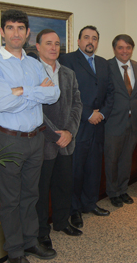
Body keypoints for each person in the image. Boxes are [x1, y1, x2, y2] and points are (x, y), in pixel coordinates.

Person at [0, 10, 60, 263]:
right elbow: (3, 103)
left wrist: (22, 91)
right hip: (10, 140)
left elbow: (54, 94)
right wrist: (36, 91)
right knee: (10, 199)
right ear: (2, 32)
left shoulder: (34, 63)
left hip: (36, 138)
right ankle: (14, 251)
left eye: (20, 28)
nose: (16, 33)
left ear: (27, 33)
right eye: (10, 27)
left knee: (31, 195)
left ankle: (29, 242)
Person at [59, 25, 114, 228]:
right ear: (79, 41)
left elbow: (111, 92)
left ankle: (90, 203)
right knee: (76, 170)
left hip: (98, 125)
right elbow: (67, 94)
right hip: (78, 125)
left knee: (93, 168)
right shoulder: (67, 60)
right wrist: (88, 114)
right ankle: (74, 210)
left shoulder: (103, 63)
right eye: (86, 37)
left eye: (94, 38)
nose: (91, 41)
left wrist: (102, 114)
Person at [35, 29, 83, 253]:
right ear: (37, 46)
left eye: (57, 44)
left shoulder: (68, 74)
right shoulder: (31, 72)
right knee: (41, 191)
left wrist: (69, 132)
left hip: (66, 141)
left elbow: (77, 104)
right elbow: (34, 110)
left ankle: (62, 223)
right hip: (43, 142)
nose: (54, 48)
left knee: (64, 185)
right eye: (48, 43)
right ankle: (42, 233)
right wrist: (57, 134)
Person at [104, 34, 137, 208]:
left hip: (133, 121)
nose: (124, 51)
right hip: (113, 122)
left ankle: (123, 189)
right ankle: (113, 192)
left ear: (132, 49)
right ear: (114, 49)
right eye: (120, 47)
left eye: (128, 47)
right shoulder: (106, 66)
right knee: (112, 159)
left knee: (127, 158)